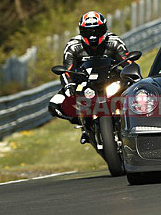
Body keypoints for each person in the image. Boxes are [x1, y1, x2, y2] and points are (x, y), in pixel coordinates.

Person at [48, 11, 129, 139]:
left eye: (97, 31)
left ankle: (133, 121)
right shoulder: (72, 47)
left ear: (104, 29)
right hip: (85, 83)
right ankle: (83, 124)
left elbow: (128, 63)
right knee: (55, 105)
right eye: (88, 32)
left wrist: (133, 76)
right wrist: (70, 88)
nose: (93, 36)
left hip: (111, 79)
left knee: (135, 90)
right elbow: (66, 71)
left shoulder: (114, 42)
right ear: (81, 31)